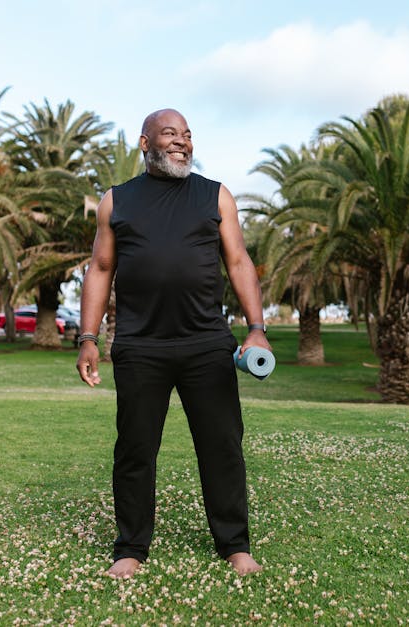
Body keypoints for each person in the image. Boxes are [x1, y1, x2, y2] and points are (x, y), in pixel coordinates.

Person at [76, 108, 271, 578]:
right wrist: (87, 337)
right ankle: (130, 549)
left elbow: (239, 261)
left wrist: (256, 326)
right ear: (145, 144)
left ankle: (235, 545)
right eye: (170, 134)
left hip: (207, 344)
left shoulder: (215, 195)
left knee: (222, 446)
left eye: (187, 135)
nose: (182, 141)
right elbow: (100, 269)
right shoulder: (116, 201)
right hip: (141, 346)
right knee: (136, 449)